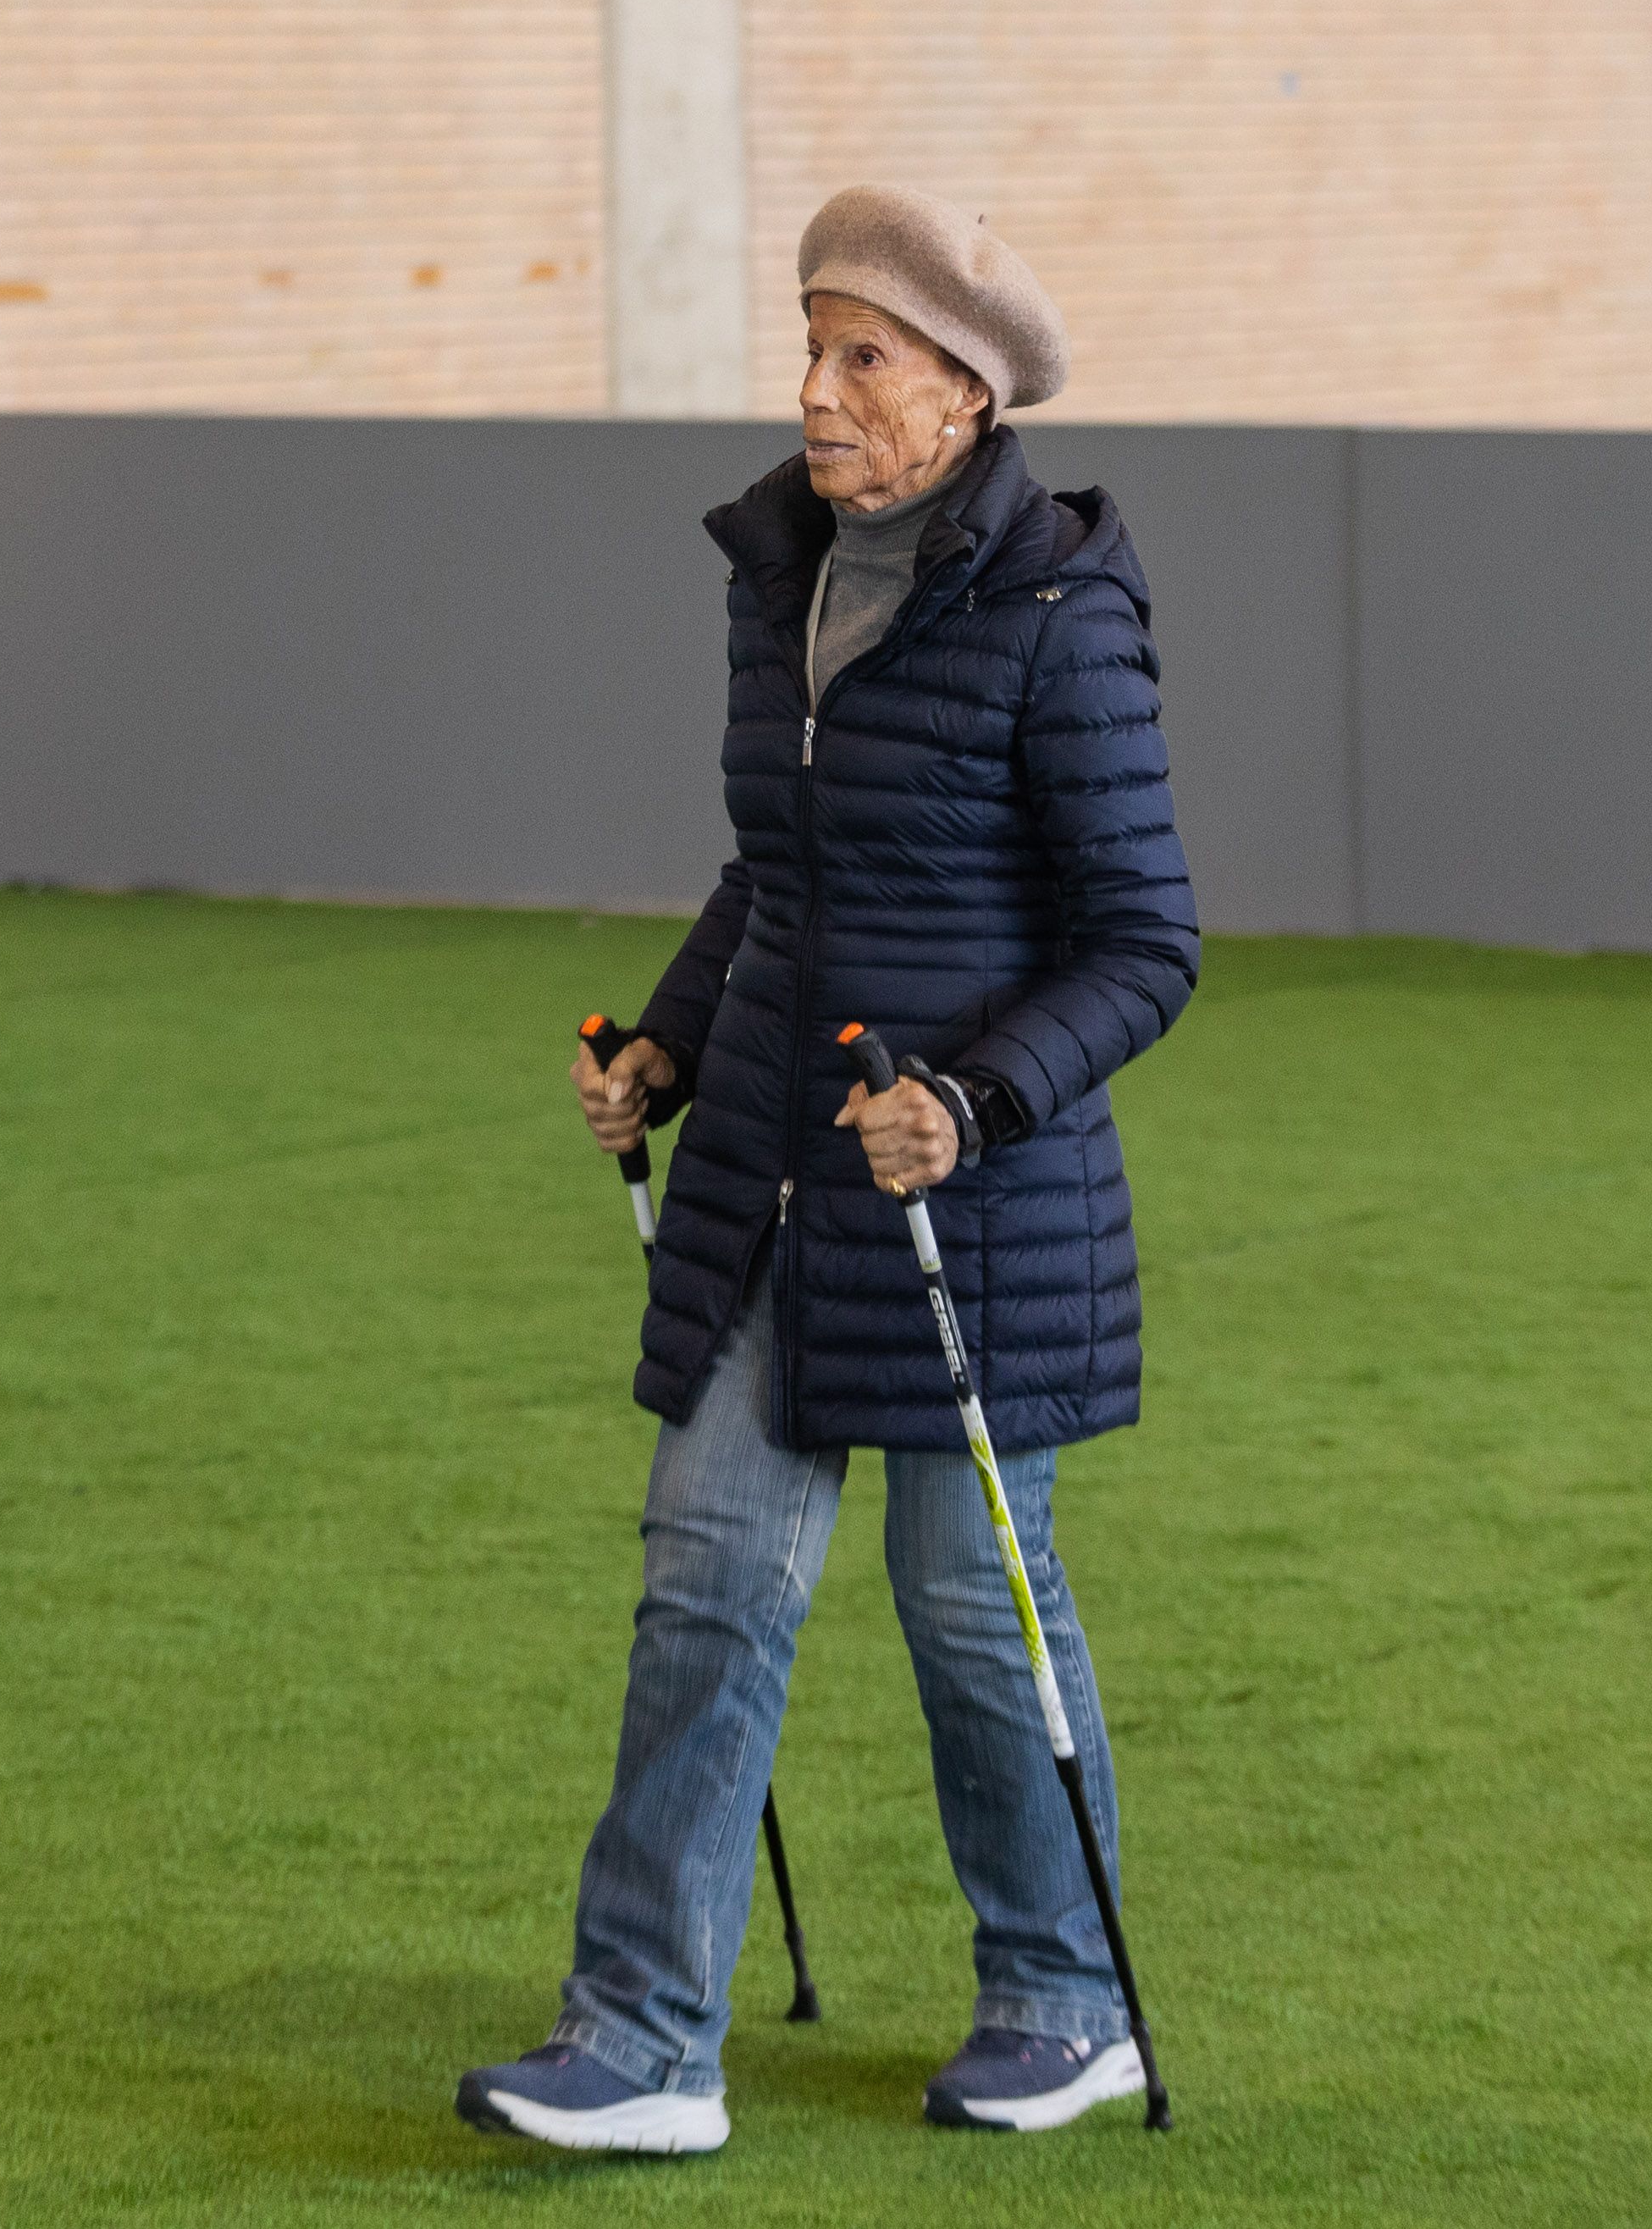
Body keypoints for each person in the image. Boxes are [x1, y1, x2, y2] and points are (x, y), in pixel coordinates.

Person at [456, 185, 1201, 2155]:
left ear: (963, 392)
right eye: (810, 339)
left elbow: (1145, 941)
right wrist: (671, 1046)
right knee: (705, 1575)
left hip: (973, 1206)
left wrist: (972, 1100)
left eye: (862, 354)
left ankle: (1065, 1995)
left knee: (975, 1608)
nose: (817, 387)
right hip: (772, 1179)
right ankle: (640, 2036)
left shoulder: (1059, 611)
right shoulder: (773, 576)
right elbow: (774, 878)